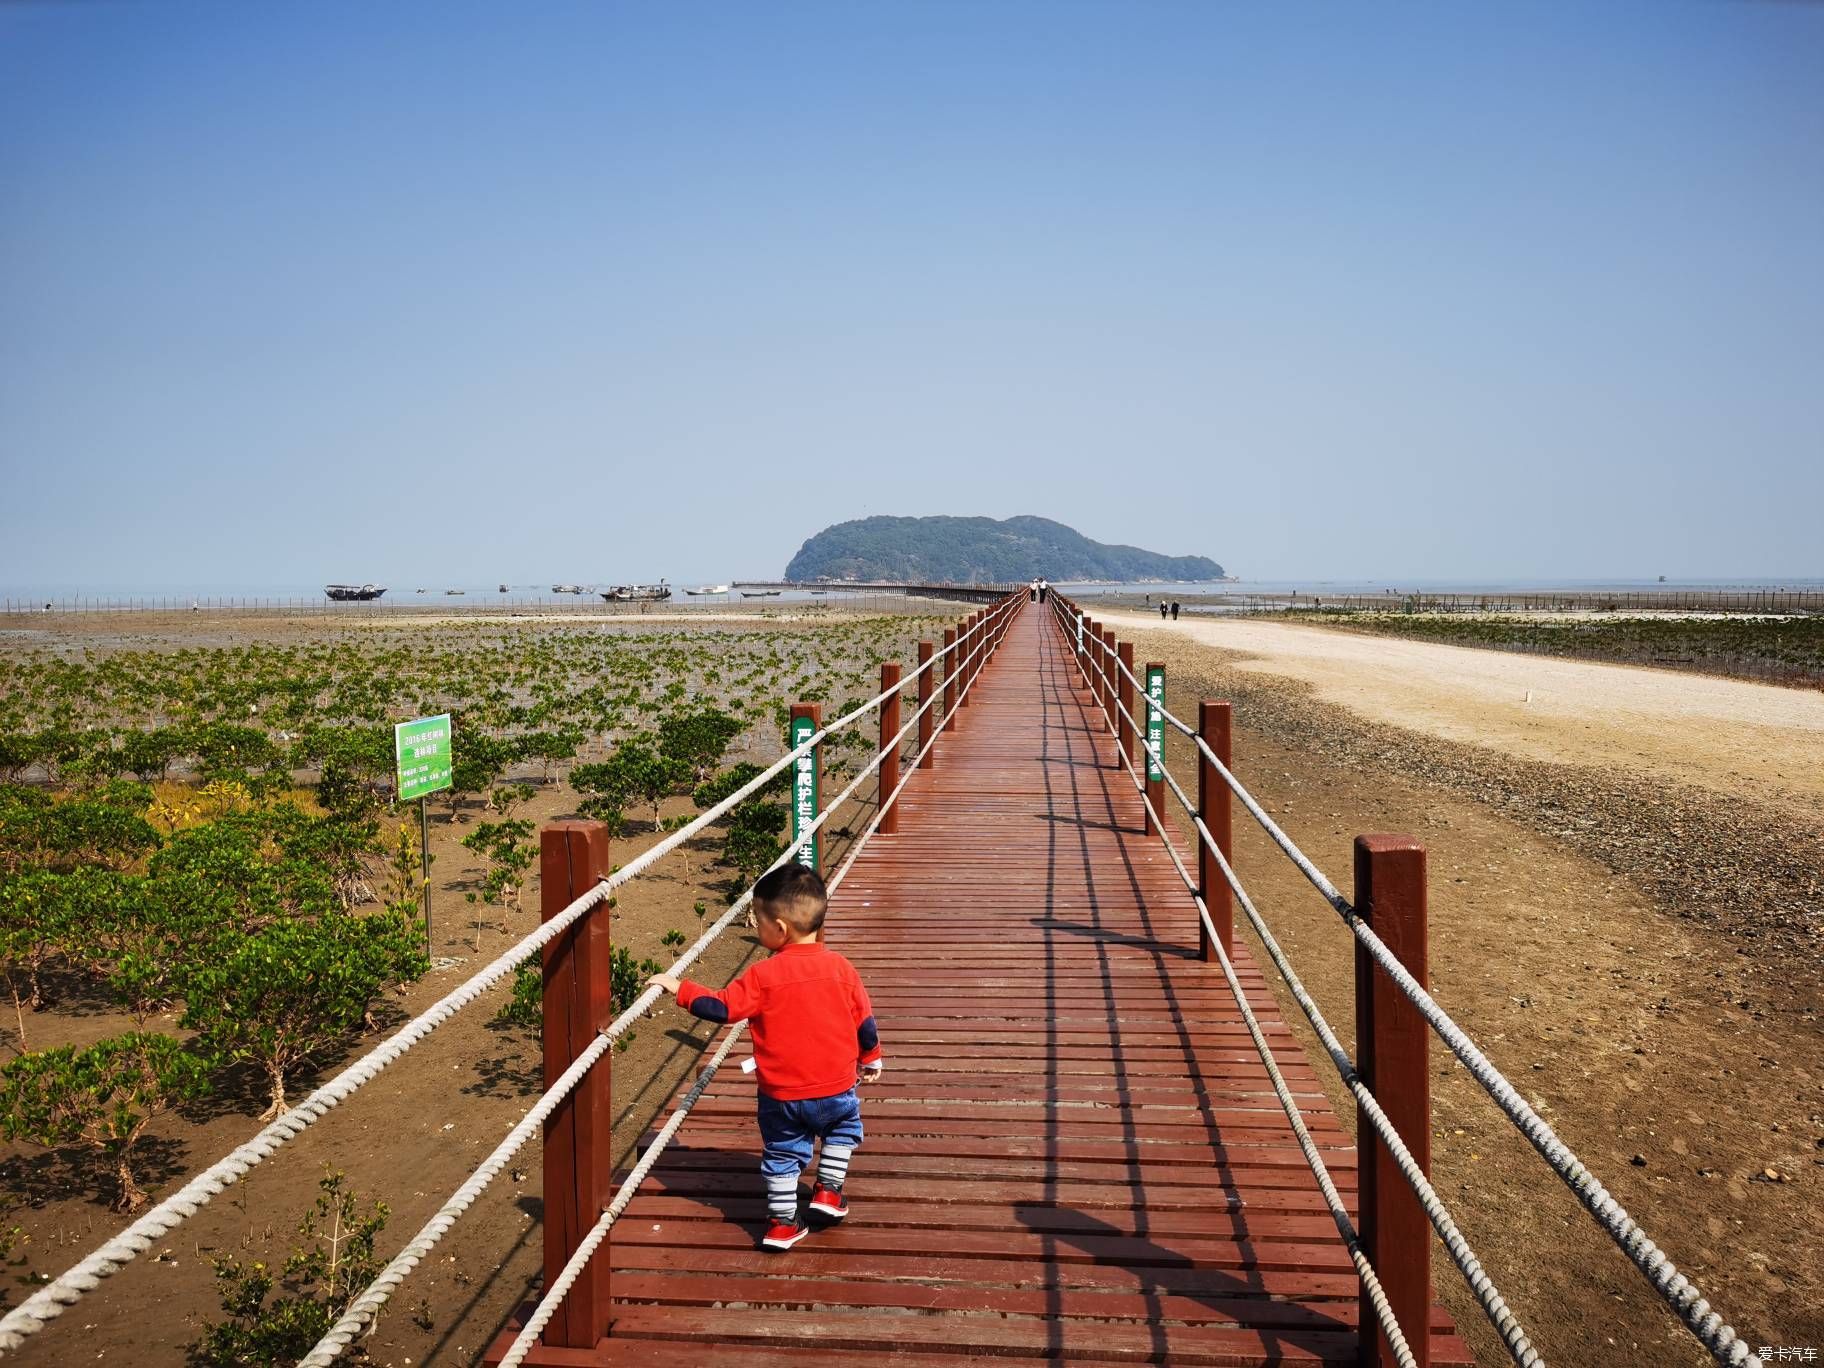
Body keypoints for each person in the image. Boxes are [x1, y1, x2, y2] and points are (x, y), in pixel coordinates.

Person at [653, 865, 881, 1251]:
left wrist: (679, 988)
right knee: (842, 1131)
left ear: (779, 928)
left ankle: (782, 1222)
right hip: (837, 1086)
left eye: (756, 920)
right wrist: (871, 1058)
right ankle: (828, 1191)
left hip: (782, 1095)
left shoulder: (762, 976)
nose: (755, 928)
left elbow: (722, 1008)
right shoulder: (842, 968)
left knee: (783, 1152)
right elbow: (865, 1022)